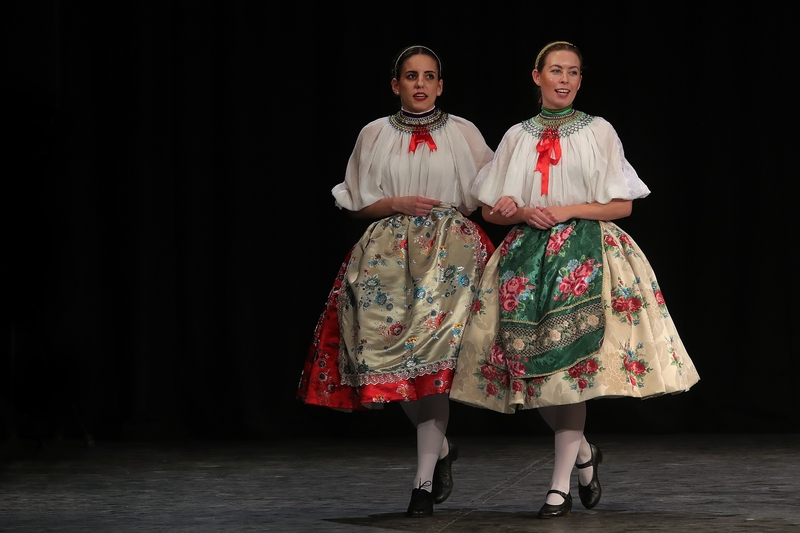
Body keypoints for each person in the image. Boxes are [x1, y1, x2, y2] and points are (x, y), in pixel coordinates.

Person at [449, 41, 700, 519]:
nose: (564, 79)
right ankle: (584, 453)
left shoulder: (598, 130)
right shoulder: (516, 136)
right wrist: (515, 211)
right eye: (556, 71)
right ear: (537, 76)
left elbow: (622, 205)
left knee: (570, 371)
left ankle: (558, 485)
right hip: (527, 261)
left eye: (573, 72)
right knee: (532, 368)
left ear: (581, 80)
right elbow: (491, 211)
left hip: (585, 256)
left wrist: (565, 211)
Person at [297, 45, 495, 517]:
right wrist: (394, 204)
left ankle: (421, 485)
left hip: (449, 255)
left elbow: (486, 195)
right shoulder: (374, 133)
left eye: (428, 76)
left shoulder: (463, 131)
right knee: (384, 358)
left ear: (440, 85)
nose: (420, 84)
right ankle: (441, 449)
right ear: (396, 84)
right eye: (411, 76)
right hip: (387, 254)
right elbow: (356, 201)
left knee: (433, 366)